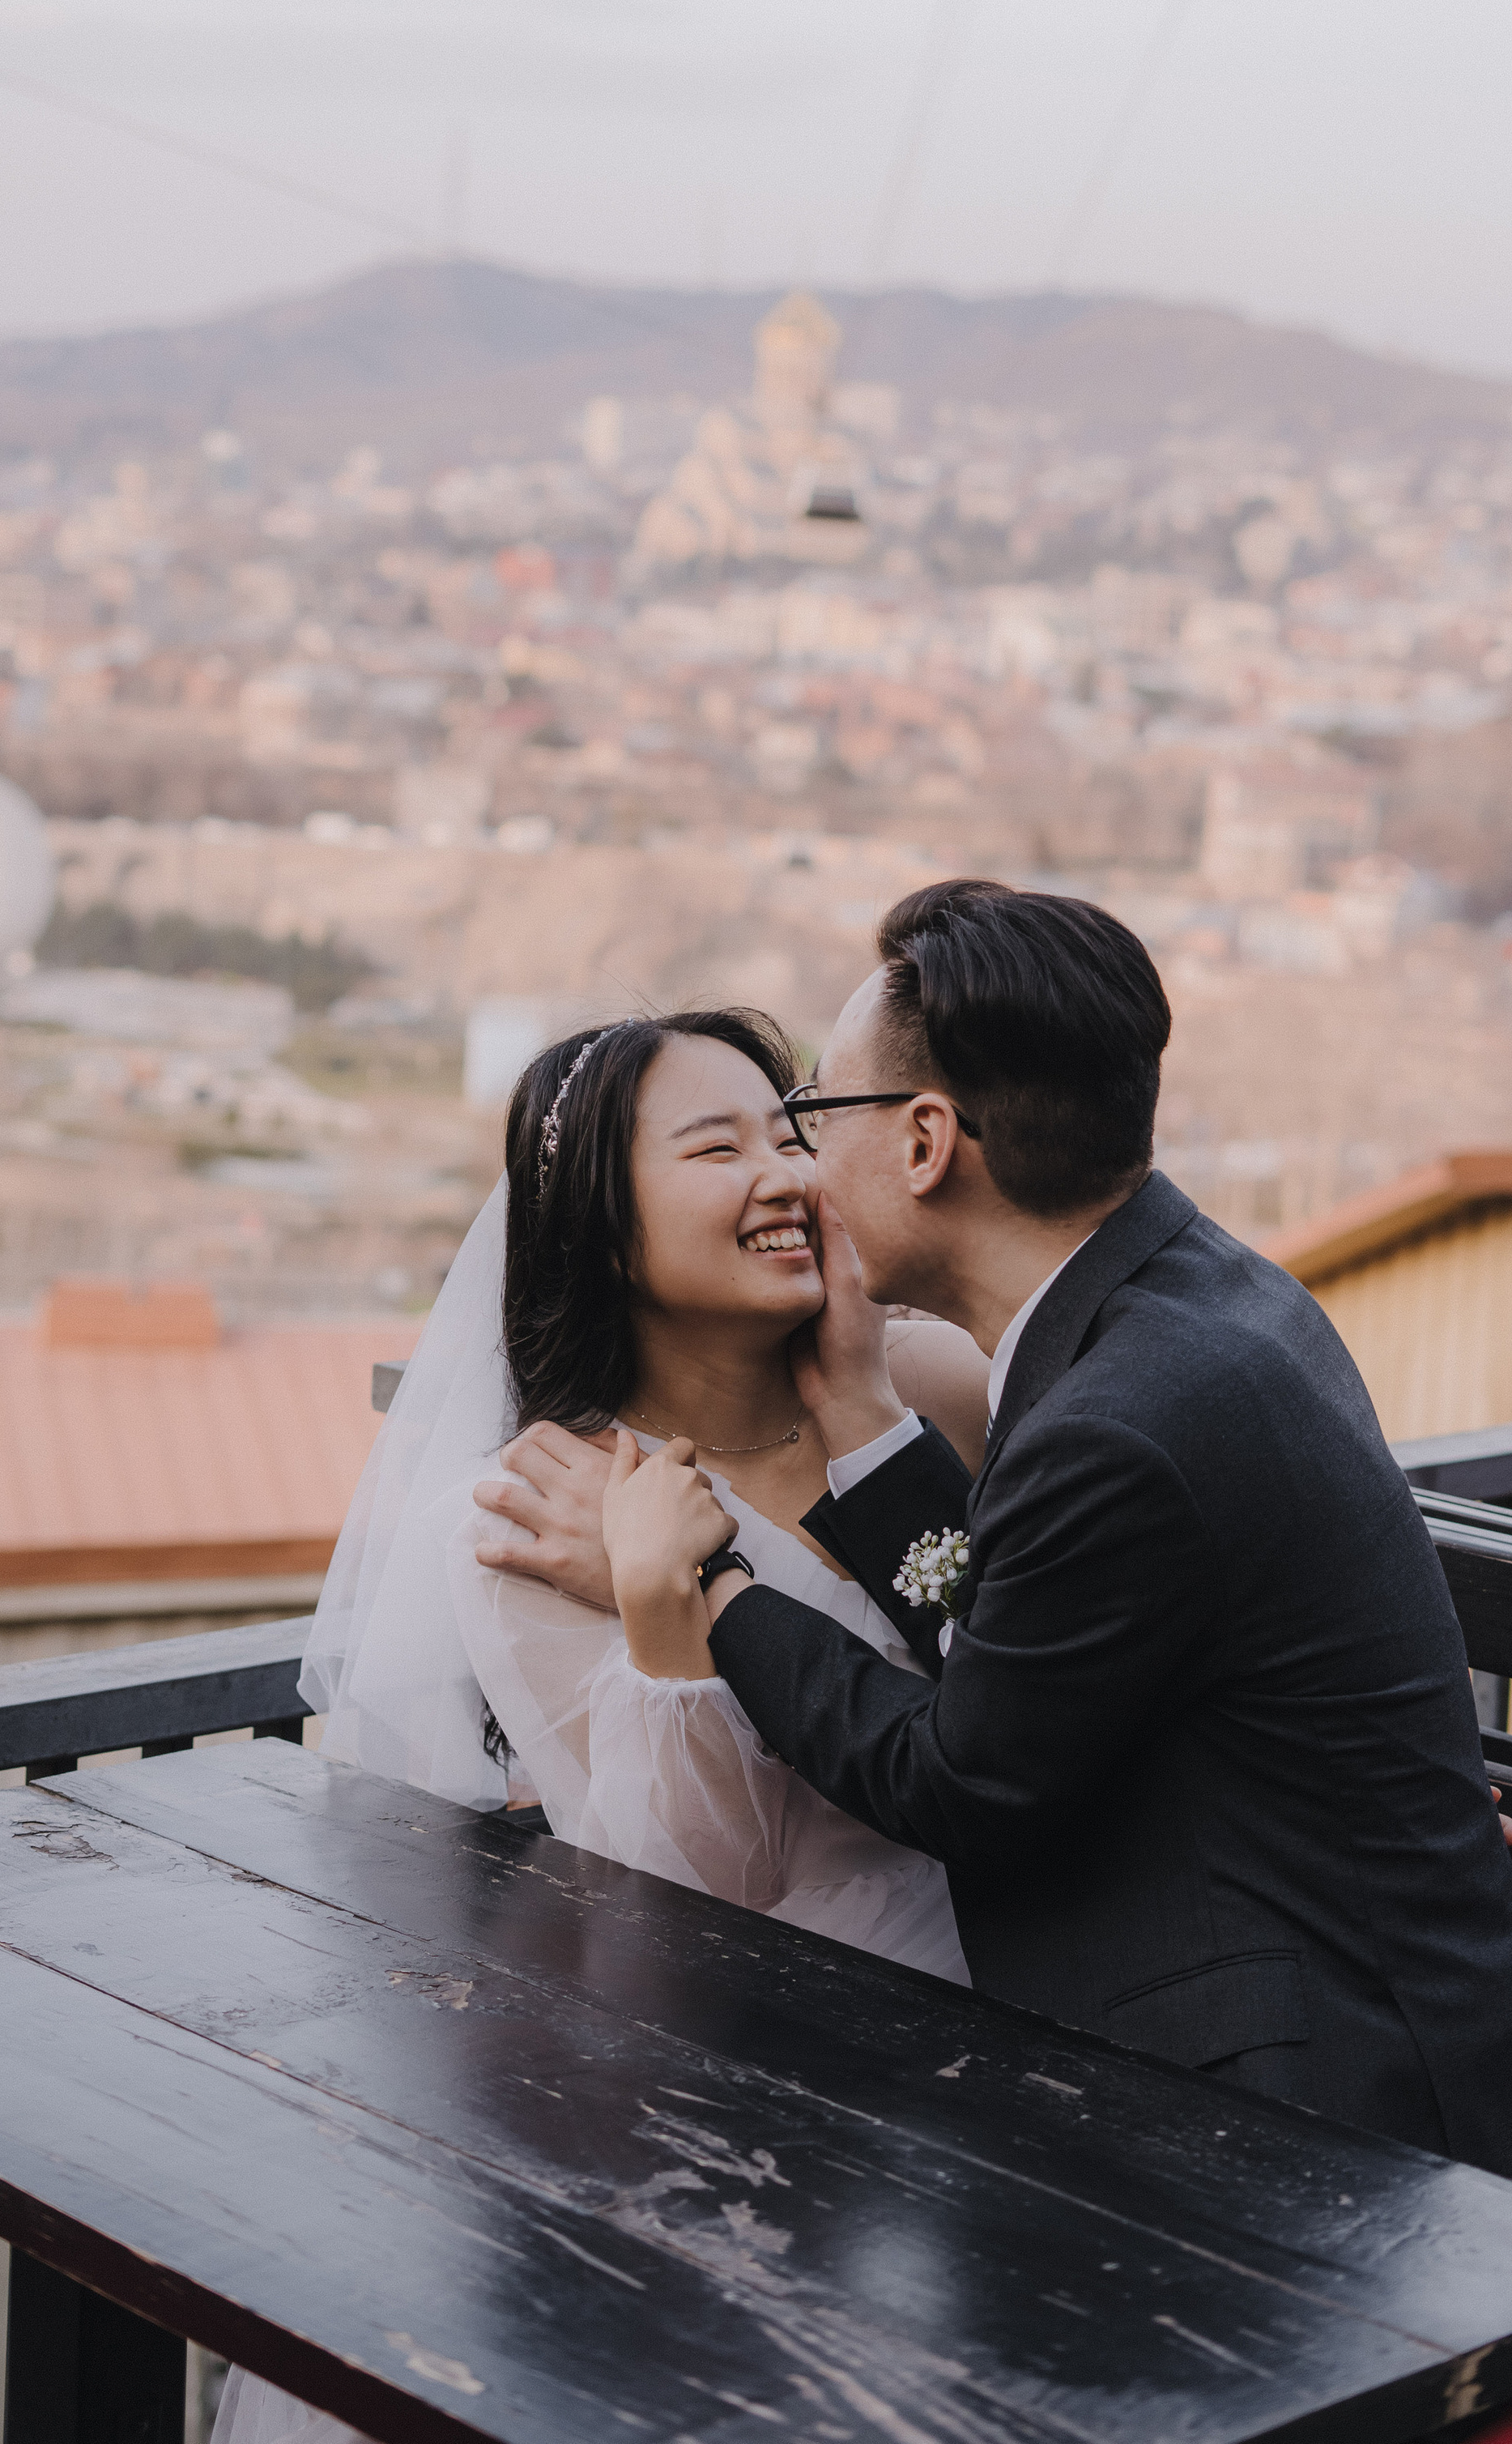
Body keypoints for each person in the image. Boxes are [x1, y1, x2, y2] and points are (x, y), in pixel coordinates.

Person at [478, 879, 1512, 2198]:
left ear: (926, 1141)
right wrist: (863, 1418)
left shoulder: (1118, 1417)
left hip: (1319, 2119)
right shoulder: (1197, 1302)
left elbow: (962, 1779)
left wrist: (696, 1586)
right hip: (1282, 2008)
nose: (799, 1171)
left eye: (814, 1117)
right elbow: (1015, 1632)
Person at [212, 1004, 984, 2444]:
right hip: (759, 2067)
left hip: (1013, 1978)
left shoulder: (924, 1385)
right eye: (719, 1149)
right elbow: (698, 1896)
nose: (787, 1175)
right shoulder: (532, 1514)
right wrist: (657, 1609)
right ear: (606, 1230)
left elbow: (1033, 1652)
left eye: (790, 1133)